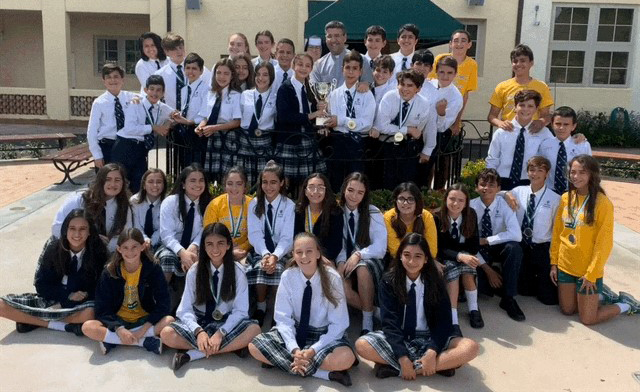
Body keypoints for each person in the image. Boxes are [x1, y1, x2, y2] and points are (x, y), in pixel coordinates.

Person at [356, 233, 479, 379]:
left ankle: (402, 368)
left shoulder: (436, 282)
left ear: (426, 259)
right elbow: (389, 323)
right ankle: (435, 365)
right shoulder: (389, 281)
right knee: (362, 345)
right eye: (406, 255)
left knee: (470, 347)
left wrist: (432, 350)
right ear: (400, 256)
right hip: (401, 336)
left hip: (429, 335)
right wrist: (402, 356)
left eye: (418, 256)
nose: (411, 261)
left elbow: (444, 321)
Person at [248, 233, 356, 387]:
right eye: (299, 252)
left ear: (318, 253)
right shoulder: (287, 276)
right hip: (296, 330)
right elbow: (283, 318)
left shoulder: (333, 278)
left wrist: (313, 350)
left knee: (346, 358)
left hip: (323, 333)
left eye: (309, 251)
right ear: (293, 255)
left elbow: (339, 324)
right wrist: (293, 349)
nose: (304, 256)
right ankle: (326, 374)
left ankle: (281, 362)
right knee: (254, 346)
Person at [550, 155, 639, 324]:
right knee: (567, 310)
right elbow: (557, 233)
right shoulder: (566, 198)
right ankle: (602, 294)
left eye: (582, 172)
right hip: (566, 265)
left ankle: (625, 304)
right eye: (573, 172)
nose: (576, 177)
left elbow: (604, 243)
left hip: (588, 271)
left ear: (592, 175)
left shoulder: (603, 203)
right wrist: (554, 263)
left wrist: (591, 274)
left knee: (588, 319)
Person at [161, 223, 261, 371]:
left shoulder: (238, 272)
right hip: (200, 319)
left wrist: (221, 333)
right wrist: (198, 332)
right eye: (209, 244)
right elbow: (184, 309)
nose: (215, 249)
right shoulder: (195, 271)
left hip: (226, 322)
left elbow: (240, 312)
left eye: (220, 243)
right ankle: (230, 347)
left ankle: (192, 355)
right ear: (204, 247)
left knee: (254, 330)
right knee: (166, 334)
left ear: (228, 245)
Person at [0, 209, 108, 336]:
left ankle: (35, 320)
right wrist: (66, 295)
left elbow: (99, 289)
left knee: (90, 313)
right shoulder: (54, 248)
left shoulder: (98, 252)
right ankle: (66, 326)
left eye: (82, 229)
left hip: (80, 305)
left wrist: (77, 297)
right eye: (72, 228)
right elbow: (41, 285)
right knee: (2, 305)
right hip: (54, 300)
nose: (77, 234)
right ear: (65, 230)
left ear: (90, 231)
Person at [82, 228, 174, 355]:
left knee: (169, 321)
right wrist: (118, 329)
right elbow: (102, 308)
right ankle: (144, 342)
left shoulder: (153, 268)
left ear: (142, 247)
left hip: (144, 320)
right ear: (119, 249)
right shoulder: (110, 271)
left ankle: (112, 340)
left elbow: (164, 303)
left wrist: (143, 329)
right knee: (88, 327)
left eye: (134, 247)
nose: (130, 252)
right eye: (125, 247)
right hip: (119, 320)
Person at [470, 169, 525, 321]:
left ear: (499, 188)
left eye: (491, 185)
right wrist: (488, 271)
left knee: (514, 248)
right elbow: (468, 244)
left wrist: (487, 240)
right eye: (482, 184)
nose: (486, 188)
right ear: (476, 187)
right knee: (483, 288)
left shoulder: (505, 204)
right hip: (477, 250)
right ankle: (492, 277)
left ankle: (508, 298)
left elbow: (516, 235)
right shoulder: (470, 207)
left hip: (497, 245)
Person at [336, 172, 387, 335]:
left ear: (365, 194)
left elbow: (380, 247)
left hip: (369, 259)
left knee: (362, 268)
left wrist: (359, 255)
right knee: (342, 286)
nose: (354, 196)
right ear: (344, 189)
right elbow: (339, 244)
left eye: (360, 192)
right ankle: (377, 313)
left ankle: (367, 322)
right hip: (346, 260)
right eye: (351, 190)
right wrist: (341, 262)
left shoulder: (372, 213)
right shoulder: (337, 212)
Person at [246, 161, 295, 326]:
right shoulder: (254, 204)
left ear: (282, 183)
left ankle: (275, 309)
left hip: (282, 252)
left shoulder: (289, 206)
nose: (269, 186)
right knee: (261, 268)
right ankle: (261, 307)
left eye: (273, 182)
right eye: (265, 182)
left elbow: (287, 238)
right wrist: (266, 254)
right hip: (261, 251)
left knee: (279, 270)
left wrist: (275, 255)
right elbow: (254, 234)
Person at [507, 156, 560, 305]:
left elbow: (557, 229)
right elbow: (498, 195)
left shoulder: (555, 199)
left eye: (540, 170)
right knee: (524, 291)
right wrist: (506, 194)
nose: (535, 174)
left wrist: (554, 260)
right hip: (522, 247)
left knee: (548, 299)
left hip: (542, 248)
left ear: (547, 174)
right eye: (531, 170)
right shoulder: (517, 191)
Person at [373, 69, 436, 189]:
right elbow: (382, 126)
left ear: (418, 89)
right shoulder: (389, 97)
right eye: (402, 84)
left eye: (410, 85)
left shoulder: (424, 104)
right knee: (387, 184)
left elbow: (429, 129)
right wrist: (408, 129)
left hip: (409, 147)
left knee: (407, 184)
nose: (405, 89)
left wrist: (427, 151)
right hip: (387, 145)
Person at [323, 51, 376, 191]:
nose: (350, 72)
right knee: (336, 181)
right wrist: (323, 122)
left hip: (357, 143)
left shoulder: (366, 94)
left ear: (360, 71)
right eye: (348, 67)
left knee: (356, 182)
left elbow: (366, 124)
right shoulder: (333, 94)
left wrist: (341, 120)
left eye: (354, 68)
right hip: (337, 142)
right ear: (342, 69)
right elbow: (328, 118)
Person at [51, 163, 132, 253]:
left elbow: (126, 233)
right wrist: (92, 237)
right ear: (100, 181)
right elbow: (57, 227)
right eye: (108, 179)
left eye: (117, 180)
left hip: (108, 253)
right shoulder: (80, 200)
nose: (112, 184)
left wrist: (109, 246)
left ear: (123, 183)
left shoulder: (124, 205)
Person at [114, 75, 175, 193]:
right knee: (119, 184)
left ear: (163, 93)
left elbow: (176, 115)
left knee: (139, 184)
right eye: (151, 89)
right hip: (125, 147)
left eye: (158, 90)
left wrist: (168, 123)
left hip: (141, 149)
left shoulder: (161, 108)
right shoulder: (135, 103)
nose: (154, 93)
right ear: (146, 90)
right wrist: (153, 127)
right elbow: (130, 128)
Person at [486, 90, 553, 191]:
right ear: (515, 107)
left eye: (530, 106)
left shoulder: (544, 133)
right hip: (503, 181)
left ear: (536, 109)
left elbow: (556, 148)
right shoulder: (502, 132)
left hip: (530, 181)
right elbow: (492, 160)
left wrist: (577, 138)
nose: (525, 109)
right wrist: (492, 183)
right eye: (522, 105)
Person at [275, 53, 326, 186]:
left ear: (311, 69)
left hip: (307, 138)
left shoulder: (310, 88)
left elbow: (316, 114)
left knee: (308, 179)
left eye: (307, 66)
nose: (304, 68)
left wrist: (322, 125)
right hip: (290, 139)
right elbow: (284, 116)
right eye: (300, 65)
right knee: (285, 181)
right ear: (293, 66)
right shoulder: (285, 88)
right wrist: (311, 115)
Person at [156, 164, 212, 283]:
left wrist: (193, 247)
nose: (198, 184)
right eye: (193, 180)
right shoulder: (170, 202)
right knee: (167, 258)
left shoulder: (210, 204)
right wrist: (182, 252)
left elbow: (206, 230)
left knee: (205, 259)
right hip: (171, 246)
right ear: (183, 184)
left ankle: (198, 299)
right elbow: (166, 235)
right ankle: (163, 297)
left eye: (201, 180)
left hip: (197, 246)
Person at [194, 58, 242, 182]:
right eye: (219, 73)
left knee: (226, 174)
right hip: (211, 137)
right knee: (210, 174)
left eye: (226, 73)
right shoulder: (210, 93)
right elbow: (206, 116)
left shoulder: (236, 95)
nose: (222, 77)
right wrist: (200, 126)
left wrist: (215, 128)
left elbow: (237, 121)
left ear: (232, 76)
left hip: (227, 138)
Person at [488, 44, 553, 132]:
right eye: (515, 61)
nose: (518, 64)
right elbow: (492, 116)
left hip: (532, 134)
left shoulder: (542, 87)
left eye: (523, 61)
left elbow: (546, 115)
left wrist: (541, 122)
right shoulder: (502, 87)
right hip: (509, 133)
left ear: (531, 63)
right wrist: (500, 123)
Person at [427, 29, 478, 135]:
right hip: (434, 110)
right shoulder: (440, 58)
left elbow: (465, 95)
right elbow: (430, 83)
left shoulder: (472, 64)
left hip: (452, 112)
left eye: (463, 40)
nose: (459, 44)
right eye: (456, 40)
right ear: (450, 44)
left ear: (469, 44)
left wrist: (457, 122)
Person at [87, 63, 138, 168]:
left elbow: (150, 100)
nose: (112, 80)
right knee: (108, 181)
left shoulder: (132, 97)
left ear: (122, 79)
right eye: (108, 77)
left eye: (116, 77)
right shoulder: (99, 103)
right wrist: (97, 155)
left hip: (128, 145)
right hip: (108, 146)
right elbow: (91, 131)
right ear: (104, 81)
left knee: (128, 180)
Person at [237, 62, 277, 185]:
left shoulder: (275, 97)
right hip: (246, 141)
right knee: (244, 180)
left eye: (265, 75)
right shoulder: (245, 95)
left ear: (271, 77)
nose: (261, 78)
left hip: (264, 143)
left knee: (262, 180)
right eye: (258, 74)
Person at [538, 106, 592, 194]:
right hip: (550, 191)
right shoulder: (545, 144)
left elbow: (590, 171)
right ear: (552, 124)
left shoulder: (583, 145)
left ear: (573, 126)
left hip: (574, 192)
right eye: (558, 124)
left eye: (566, 124)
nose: (561, 128)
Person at [203, 167, 252, 261]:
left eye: (239, 184)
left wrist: (242, 248)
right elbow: (209, 234)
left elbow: (256, 233)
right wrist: (227, 250)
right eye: (230, 184)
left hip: (244, 252)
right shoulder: (215, 205)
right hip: (218, 251)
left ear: (245, 187)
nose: (234, 188)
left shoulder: (252, 205)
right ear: (225, 186)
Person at [170, 52, 210, 169]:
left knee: (195, 167)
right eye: (187, 68)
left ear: (201, 71)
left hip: (197, 132)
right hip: (184, 133)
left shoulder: (206, 89)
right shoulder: (184, 89)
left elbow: (204, 114)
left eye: (194, 68)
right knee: (183, 166)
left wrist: (188, 122)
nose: (190, 72)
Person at [293, 173, 344, 262]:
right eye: (311, 187)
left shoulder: (335, 212)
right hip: (302, 258)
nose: (315, 191)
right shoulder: (299, 211)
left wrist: (318, 257)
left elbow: (336, 244)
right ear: (305, 191)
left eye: (320, 187)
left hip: (325, 259)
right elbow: (295, 239)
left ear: (326, 191)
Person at [384, 182, 438, 260]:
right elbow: (395, 250)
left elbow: (432, 250)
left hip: (423, 261)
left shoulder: (427, 216)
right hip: (397, 261)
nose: (405, 203)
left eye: (411, 199)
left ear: (417, 201)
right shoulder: (388, 217)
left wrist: (418, 261)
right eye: (401, 199)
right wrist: (410, 262)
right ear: (395, 200)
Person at [310, 20, 373, 85]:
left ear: (345, 37)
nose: (333, 40)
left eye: (337, 36)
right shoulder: (319, 65)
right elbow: (315, 90)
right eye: (329, 36)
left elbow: (368, 84)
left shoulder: (362, 60)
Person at [130, 168, 167, 250]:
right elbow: (136, 226)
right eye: (150, 182)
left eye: (159, 182)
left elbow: (163, 228)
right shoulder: (134, 201)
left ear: (164, 185)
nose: (155, 185)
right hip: (138, 241)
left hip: (160, 242)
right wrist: (145, 240)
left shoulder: (168, 203)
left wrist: (151, 242)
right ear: (144, 185)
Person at [154, 32, 188, 111]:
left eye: (180, 47)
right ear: (166, 52)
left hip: (193, 119)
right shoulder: (160, 74)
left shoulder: (198, 70)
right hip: (170, 117)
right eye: (174, 49)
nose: (179, 51)